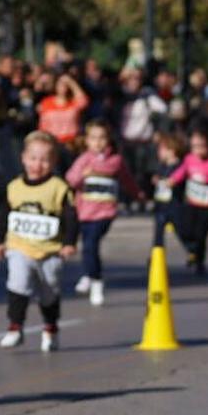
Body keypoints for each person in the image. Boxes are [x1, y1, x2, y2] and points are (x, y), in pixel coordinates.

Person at [0, 130, 80, 351]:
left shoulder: (59, 188)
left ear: (54, 161)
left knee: (49, 291)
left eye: (44, 159)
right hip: (19, 246)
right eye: (33, 158)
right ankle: (15, 327)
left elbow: (70, 217)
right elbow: (4, 215)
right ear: (23, 158)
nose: (37, 164)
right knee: (18, 283)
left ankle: (50, 326)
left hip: (50, 250)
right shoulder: (14, 187)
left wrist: (70, 242)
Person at [65, 120, 133, 306]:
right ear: (86, 141)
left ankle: (96, 281)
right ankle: (89, 273)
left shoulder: (116, 161)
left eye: (102, 138)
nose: (98, 142)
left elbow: (127, 179)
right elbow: (70, 180)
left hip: (105, 213)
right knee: (87, 247)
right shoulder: (84, 159)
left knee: (91, 245)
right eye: (94, 138)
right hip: (84, 212)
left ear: (109, 140)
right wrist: (83, 175)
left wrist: (138, 194)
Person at [166, 123, 208, 277]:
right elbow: (181, 172)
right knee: (186, 229)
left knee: (201, 235)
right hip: (192, 202)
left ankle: (199, 261)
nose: (198, 150)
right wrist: (172, 180)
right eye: (195, 146)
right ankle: (192, 250)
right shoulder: (189, 160)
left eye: (202, 146)